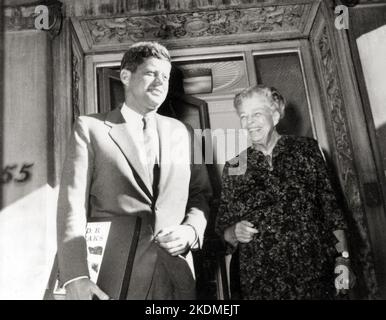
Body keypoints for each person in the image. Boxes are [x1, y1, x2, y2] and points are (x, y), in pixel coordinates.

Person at [57, 41, 211, 300]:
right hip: (111, 280)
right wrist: (75, 275)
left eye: (165, 76)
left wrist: (191, 230)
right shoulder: (90, 128)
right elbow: (71, 206)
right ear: (126, 77)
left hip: (173, 277)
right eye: (152, 73)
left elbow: (200, 195)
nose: (160, 82)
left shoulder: (182, 132)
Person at [215, 85, 353, 300]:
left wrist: (343, 260)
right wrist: (234, 231)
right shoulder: (235, 166)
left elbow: (332, 212)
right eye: (243, 116)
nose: (249, 122)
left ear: (276, 115)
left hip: (314, 274)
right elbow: (222, 231)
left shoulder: (306, 150)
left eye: (256, 114)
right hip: (261, 281)